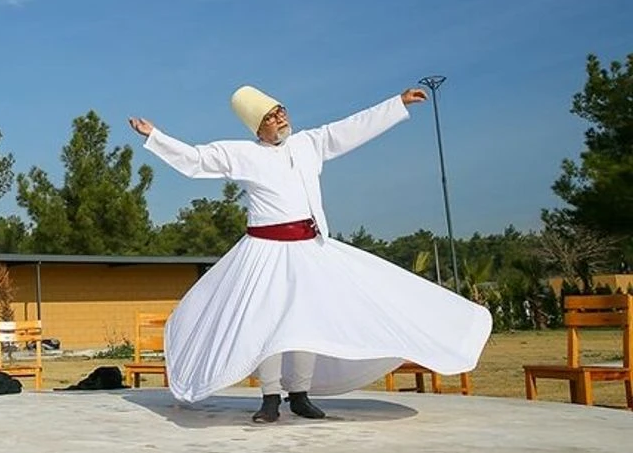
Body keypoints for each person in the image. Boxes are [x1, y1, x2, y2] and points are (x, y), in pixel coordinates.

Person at [129, 86, 491, 423]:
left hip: (308, 249)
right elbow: (196, 160)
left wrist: (397, 103)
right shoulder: (242, 154)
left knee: (307, 321)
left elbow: (352, 128)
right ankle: (270, 397)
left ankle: (299, 394)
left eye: (281, 111)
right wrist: (154, 137)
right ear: (258, 126)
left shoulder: (309, 143)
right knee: (266, 323)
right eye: (271, 116)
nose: (280, 118)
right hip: (265, 252)